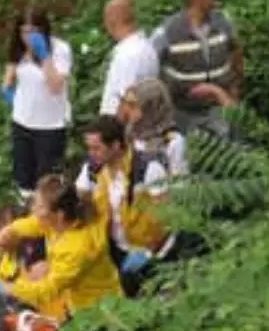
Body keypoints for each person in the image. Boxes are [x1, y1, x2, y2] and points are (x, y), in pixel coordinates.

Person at [0, 174, 120, 322]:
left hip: (98, 310)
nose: (34, 211)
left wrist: (0, 287)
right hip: (79, 300)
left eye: (40, 207)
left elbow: (45, 291)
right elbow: (26, 225)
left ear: (59, 215)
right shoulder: (61, 221)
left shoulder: (76, 247)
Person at [79, 115, 189, 296]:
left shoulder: (148, 169)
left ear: (115, 145)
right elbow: (81, 201)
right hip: (116, 251)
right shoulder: (94, 170)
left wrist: (151, 254)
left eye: (96, 148)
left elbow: (169, 216)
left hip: (150, 254)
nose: (91, 153)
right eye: (89, 148)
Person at [151, 0, 243, 138]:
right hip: (183, 113)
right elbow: (151, 68)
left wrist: (234, 92)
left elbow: (236, 53)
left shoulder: (223, 22)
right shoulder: (167, 31)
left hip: (220, 108)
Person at [0, 6, 74, 202]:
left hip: (50, 125)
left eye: (33, 31)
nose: (28, 36)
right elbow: (8, 80)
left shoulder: (60, 49)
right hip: (22, 122)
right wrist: (9, 94)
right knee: (24, 182)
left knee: (48, 183)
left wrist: (44, 57)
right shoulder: (19, 50)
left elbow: (56, 86)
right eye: (24, 31)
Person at [98, 0, 159, 115]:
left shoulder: (128, 55)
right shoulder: (147, 47)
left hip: (123, 128)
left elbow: (123, 101)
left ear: (111, 21)